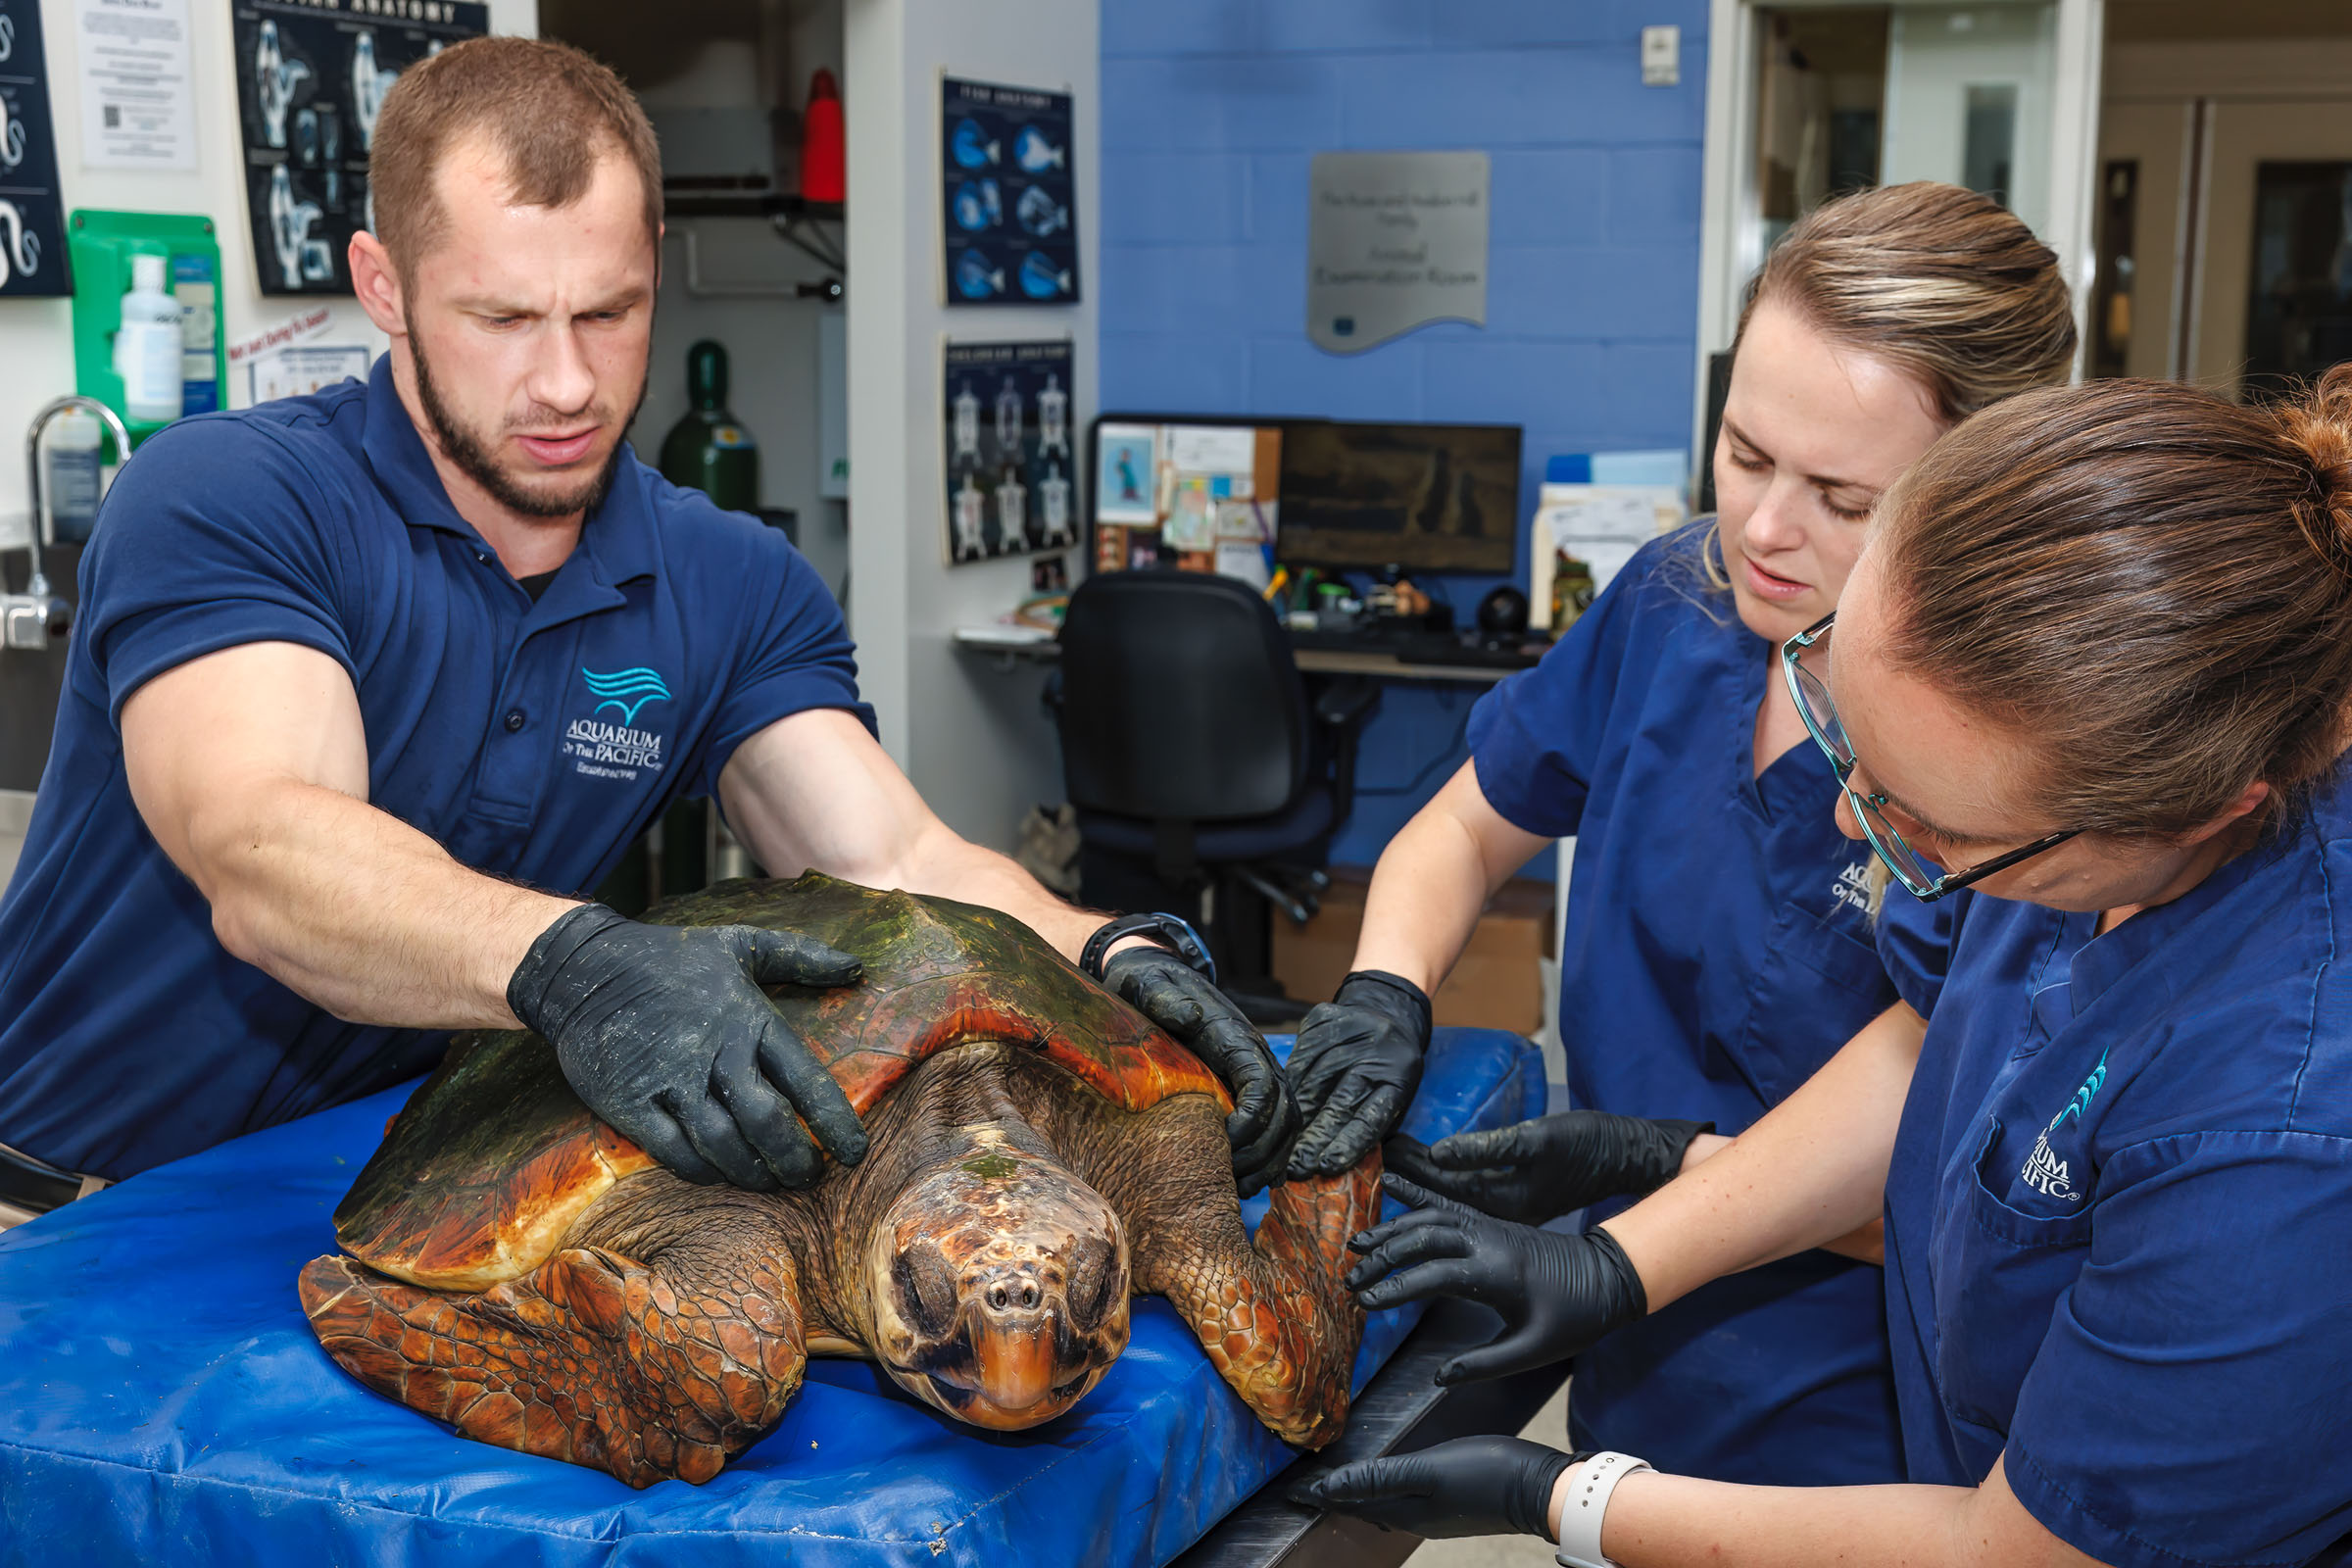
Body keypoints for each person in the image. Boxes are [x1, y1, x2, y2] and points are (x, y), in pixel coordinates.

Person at [0, 38, 1292, 1227]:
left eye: (608, 313)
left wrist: (1105, 957)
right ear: (382, 288)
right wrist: (575, 964)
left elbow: (894, 853)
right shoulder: (231, 495)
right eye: (503, 320)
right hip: (66, 1215)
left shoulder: (727, 578)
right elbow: (267, 850)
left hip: (386, 1206)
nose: (566, 383)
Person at [1300, 369, 2352, 1568]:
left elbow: (2014, 1551)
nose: (1853, 828)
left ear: (2205, 811)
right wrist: (1624, 1251)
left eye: (1928, 826)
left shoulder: (2285, 1138)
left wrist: (1562, 1500)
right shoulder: (2066, 839)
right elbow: (1934, 1044)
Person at [1280, 183, 2076, 1484]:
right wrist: (1382, 987)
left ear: (1983, 491)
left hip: (1858, 1429)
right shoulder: (1676, 603)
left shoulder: (2031, 776)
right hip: (1631, 1362)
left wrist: (1650, 1190)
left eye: (1841, 496)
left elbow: (1962, 1178)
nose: (1763, 531)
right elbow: (1466, 831)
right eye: (1746, 454)